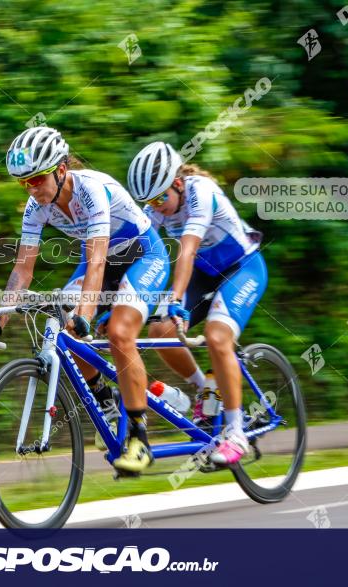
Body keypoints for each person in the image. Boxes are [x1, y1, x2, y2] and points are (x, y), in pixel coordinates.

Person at [0, 126, 169, 472]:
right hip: (100, 262)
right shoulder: (36, 208)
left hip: (143, 256)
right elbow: (23, 271)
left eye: (37, 179)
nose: (32, 189)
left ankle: (140, 439)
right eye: (24, 183)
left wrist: (86, 315)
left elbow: (96, 261)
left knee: (119, 333)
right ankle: (106, 400)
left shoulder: (90, 190)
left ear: (61, 170)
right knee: (63, 327)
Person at [126, 141, 267, 465]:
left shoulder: (200, 192)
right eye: (149, 201)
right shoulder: (156, 209)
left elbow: (186, 251)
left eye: (161, 197)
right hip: (205, 274)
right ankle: (206, 390)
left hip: (242, 268)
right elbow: (141, 252)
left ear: (177, 183)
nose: (156, 206)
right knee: (160, 329)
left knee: (218, 338)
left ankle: (236, 434)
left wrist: (175, 298)